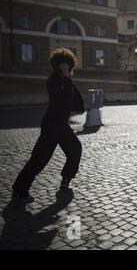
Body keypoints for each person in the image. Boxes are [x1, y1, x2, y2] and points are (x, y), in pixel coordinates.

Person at [11, 48, 85, 204]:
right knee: (40, 158)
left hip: (62, 126)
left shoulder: (67, 81)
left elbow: (79, 105)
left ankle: (66, 179)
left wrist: (70, 83)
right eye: (64, 65)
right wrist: (66, 79)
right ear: (57, 65)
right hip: (51, 125)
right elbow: (58, 96)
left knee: (75, 148)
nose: (66, 68)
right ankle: (19, 190)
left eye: (68, 66)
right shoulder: (53, 81)